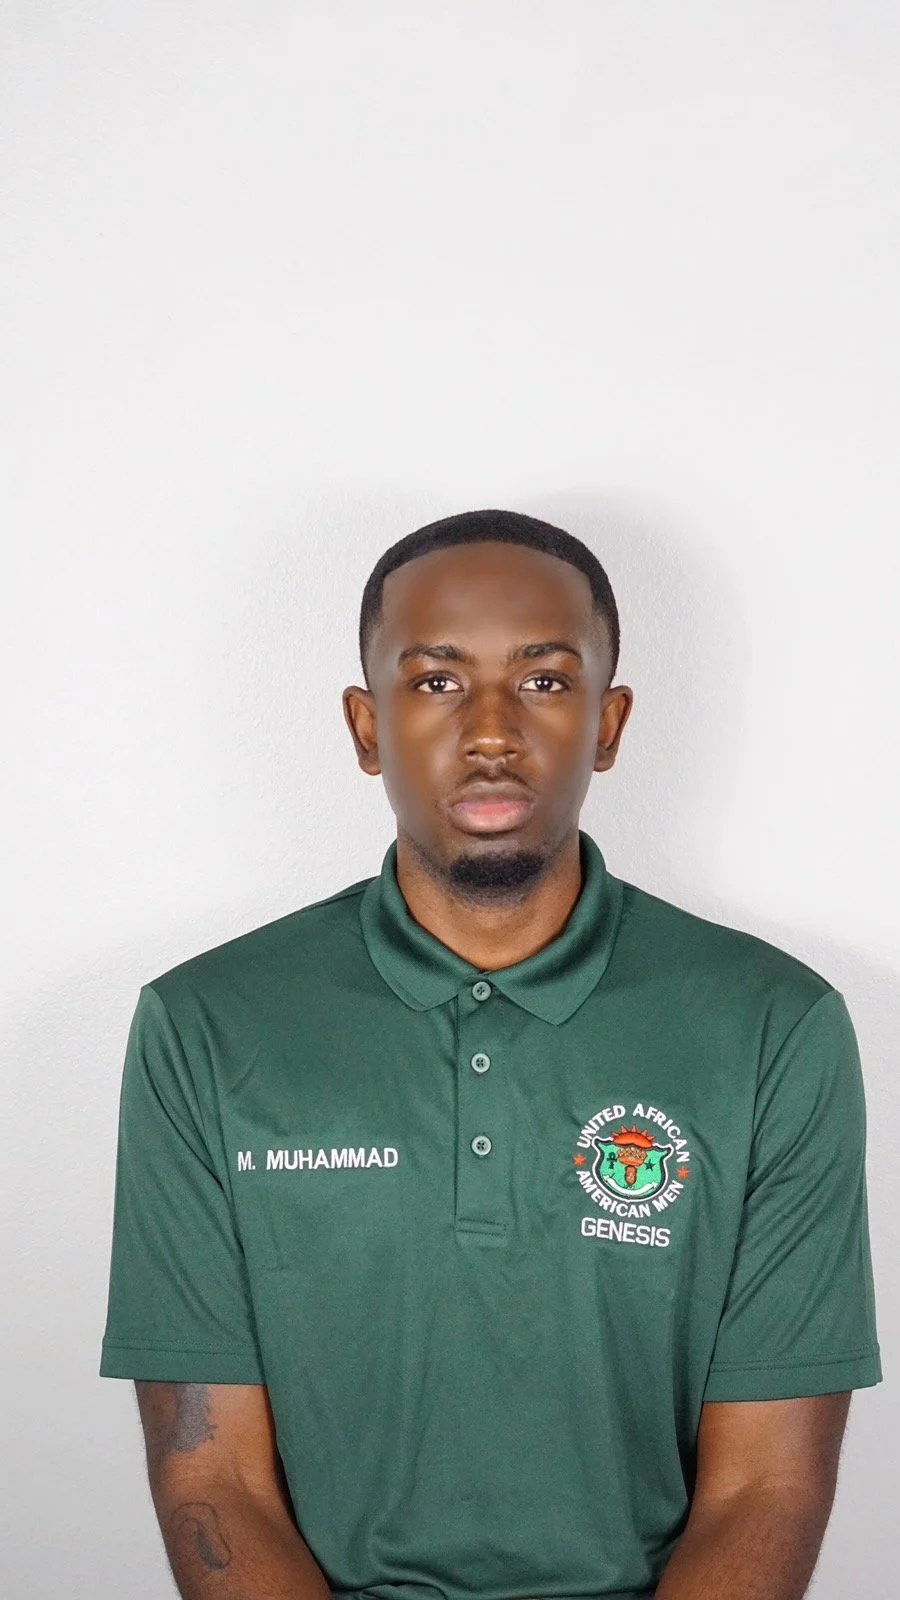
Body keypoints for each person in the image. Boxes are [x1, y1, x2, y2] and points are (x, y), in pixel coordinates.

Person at [100, 508, 881, 1600]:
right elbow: (212, 1475)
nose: (492, 730)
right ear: (365, 725)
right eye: (434, 682)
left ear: (609, 725)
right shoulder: (206, 1024)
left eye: (547, 682)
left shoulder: (771, 1024)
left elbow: (768, 1490)